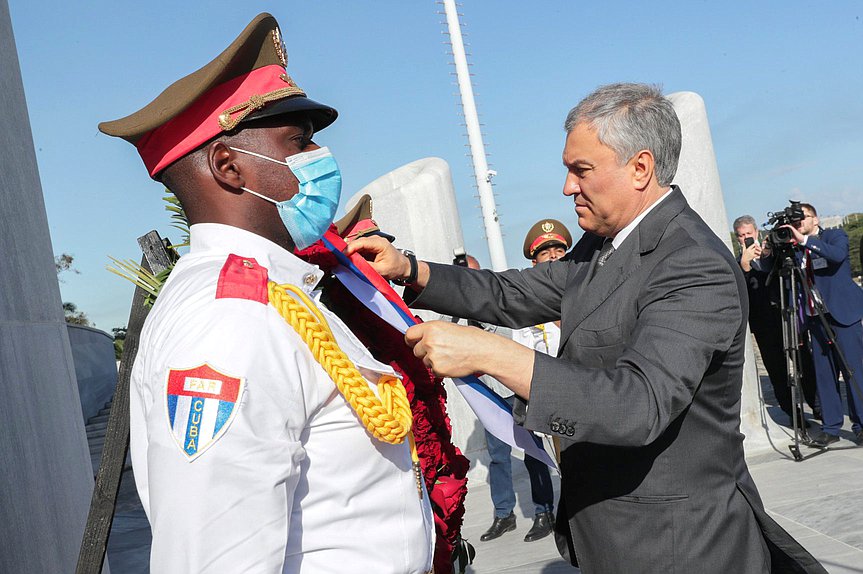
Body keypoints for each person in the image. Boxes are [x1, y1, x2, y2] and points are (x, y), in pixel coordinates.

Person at [348, 83, 824, 572]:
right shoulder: (603, 247)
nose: (567, 187)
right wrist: (410, 268)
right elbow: (516, 292)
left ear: (640, 168)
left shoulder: (691, 262)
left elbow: (637, 404)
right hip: (613, 536)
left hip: (678, 546)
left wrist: (489, 354)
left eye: (582, 170)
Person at [98, 14, 433, 573]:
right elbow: (217, 558)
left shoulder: (272, 294)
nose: (318, 158)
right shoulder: (228, 318)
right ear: (228, 167)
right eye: (297, 143)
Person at [462, 254, 555, 544]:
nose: (470, 281)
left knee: (533, 453)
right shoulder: (456, 306)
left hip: (515, 390)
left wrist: (482, 319)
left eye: (474, 275)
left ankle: (544, 512)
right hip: (488, 393)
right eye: (464, 276)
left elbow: (514, 336)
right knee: (498, 459)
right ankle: (504, 514)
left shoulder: (496, 301)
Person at [785, 203, 863, 447]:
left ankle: (860, 425)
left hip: (843, 314)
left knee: (854, 372)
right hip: (815, 317)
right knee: (824, 375)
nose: (798, 224)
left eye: (802, 218)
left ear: (815, 219)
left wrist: (806, 241)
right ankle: (830, 427)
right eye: (794, 221)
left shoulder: (833, 236)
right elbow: (792, 284)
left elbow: (837, 256)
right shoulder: (793, 248)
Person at [733, 215, 819, 421]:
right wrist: (744, 269)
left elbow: (788, 276)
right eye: (742, 236)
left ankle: (817, 405)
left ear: (757, 233)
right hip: (764, 326)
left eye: (749, 234)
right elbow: (740, 295)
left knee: (804, 363)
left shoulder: (772, 255)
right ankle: (793, 414)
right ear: (737, 239)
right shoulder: (737, 264)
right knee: (777, 372)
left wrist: (769, 256)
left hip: (787, 317)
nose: (747, 238)